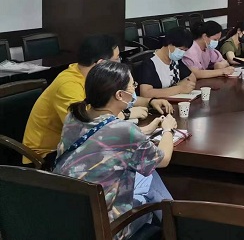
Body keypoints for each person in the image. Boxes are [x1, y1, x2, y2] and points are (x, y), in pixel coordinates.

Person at [54, 61, 176, 240]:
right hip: (108, 227)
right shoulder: (124, 131)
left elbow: (103, 137)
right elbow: (163, 160)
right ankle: (176, 226)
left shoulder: (74, 116)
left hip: (69, 215)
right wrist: (168, 130)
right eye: (132, 85)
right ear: (120, 95)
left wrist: (144, 130)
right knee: (151, 176)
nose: (134, 90)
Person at [23, 34, 173, 164]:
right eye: (116, 59)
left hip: (84, 145)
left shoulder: (94, 77)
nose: (119, 63)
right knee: (129, 163)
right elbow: (89, 125)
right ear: (102, 63)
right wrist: (127, 114)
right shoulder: (68, 85)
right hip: (50, 155)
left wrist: (149, 101)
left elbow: (120, 98)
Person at [139, 27, 197, 98]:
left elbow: (192, 77)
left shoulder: (175, 60)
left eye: (185, 50)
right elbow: (145, 93)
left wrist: (178, 86)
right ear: (170, 44)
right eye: (181, 49)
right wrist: (178, 89)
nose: (182, 53)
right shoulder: (150, 63)